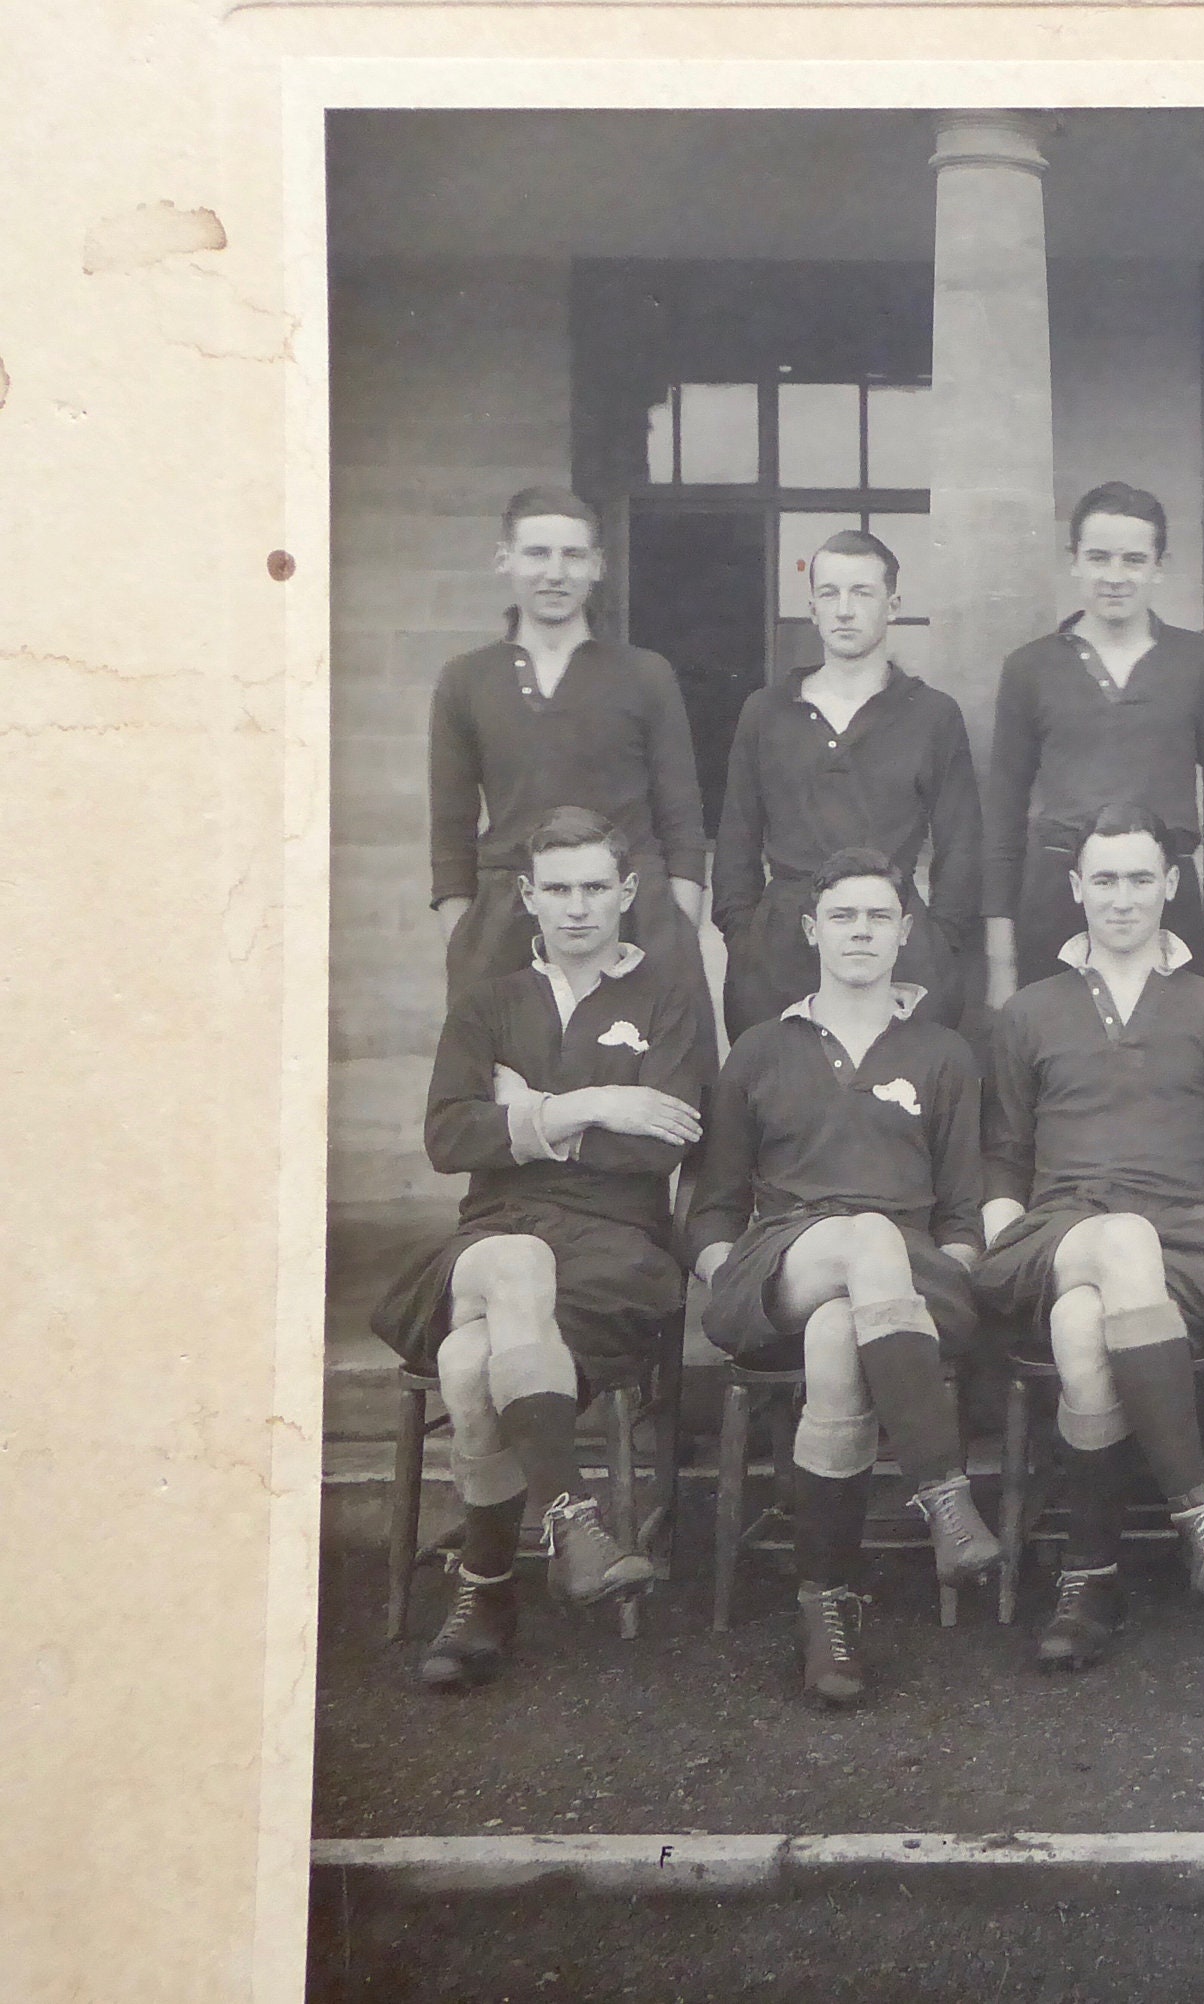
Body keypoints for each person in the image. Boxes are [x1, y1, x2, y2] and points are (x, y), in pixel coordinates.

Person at [369, 808, 709, 1690]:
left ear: (628, 894)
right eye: (557, 890)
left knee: (469, 1358)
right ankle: (574, 1521)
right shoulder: (487, 1003)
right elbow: (449, 1137)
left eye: (597, 888)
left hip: (614, 1248)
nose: (578, 908)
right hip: (494, 1233)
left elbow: (664, 1144)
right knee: (516, 1261)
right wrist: (590, 1103)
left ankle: (486, 1591)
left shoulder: (669, 1000)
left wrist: (521, 1114)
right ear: (527, 897)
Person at [688, 847, 1002, 1710]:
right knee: (853, 1248)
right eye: (842, 916)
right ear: (811, 929)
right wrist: (728, 1279)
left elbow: (965, 1218)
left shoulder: (943, 1053)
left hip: (908, 1272)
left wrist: (947, 1280)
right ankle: (942, 1490)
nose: (859, 931)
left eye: (877, 917)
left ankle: (826, 1605)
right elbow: (712, 1206)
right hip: (783, 1261)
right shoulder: (760, 1048)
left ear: (905, 934)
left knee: (843, 1324)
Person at [976, 803, 1204, 1669]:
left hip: (1184, 1241)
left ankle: (1088, 1572)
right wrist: (1003, 1232)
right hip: (1060, 1230)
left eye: (1142, 878)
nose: (1124, 897)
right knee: (1113, 1245)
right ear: (1075, 890)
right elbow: (1004, 1157)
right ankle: (1200, 1515)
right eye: (1104, 879)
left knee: (1081, 1325)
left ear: (1172, 886)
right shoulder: (1030, 1011)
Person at [429, 485, 711, 999]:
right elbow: (450, 833)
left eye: (573, 555)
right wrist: (465, 941)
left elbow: (682, 822)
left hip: (634, 921)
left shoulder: (645, 674)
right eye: (537, 553)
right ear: (504, 560)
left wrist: (675, 929)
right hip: (508, 922)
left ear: (597, 566)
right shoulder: (466, 680)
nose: (555, 573)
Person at [714, 528, 981, 1036]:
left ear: (893, 604)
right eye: (829, 593)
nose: (843, 609)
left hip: (892, 945)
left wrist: (939, 940)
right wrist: (744, 937)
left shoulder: (932, 715)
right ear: (812, 607)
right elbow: (736, 841)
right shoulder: (766, 712)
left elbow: (962, 845)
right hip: (779, 953)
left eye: (862, 592)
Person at [987, 484, 1204, 996]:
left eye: (1133, 560)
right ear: (1075, 561)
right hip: (1057, 897)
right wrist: (1001, 960)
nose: (1114, 577)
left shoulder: (1200, 663)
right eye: (1099, 557)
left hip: (1166, 900)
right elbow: (1002, 816)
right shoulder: (1030, 668)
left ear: (1158, 565)